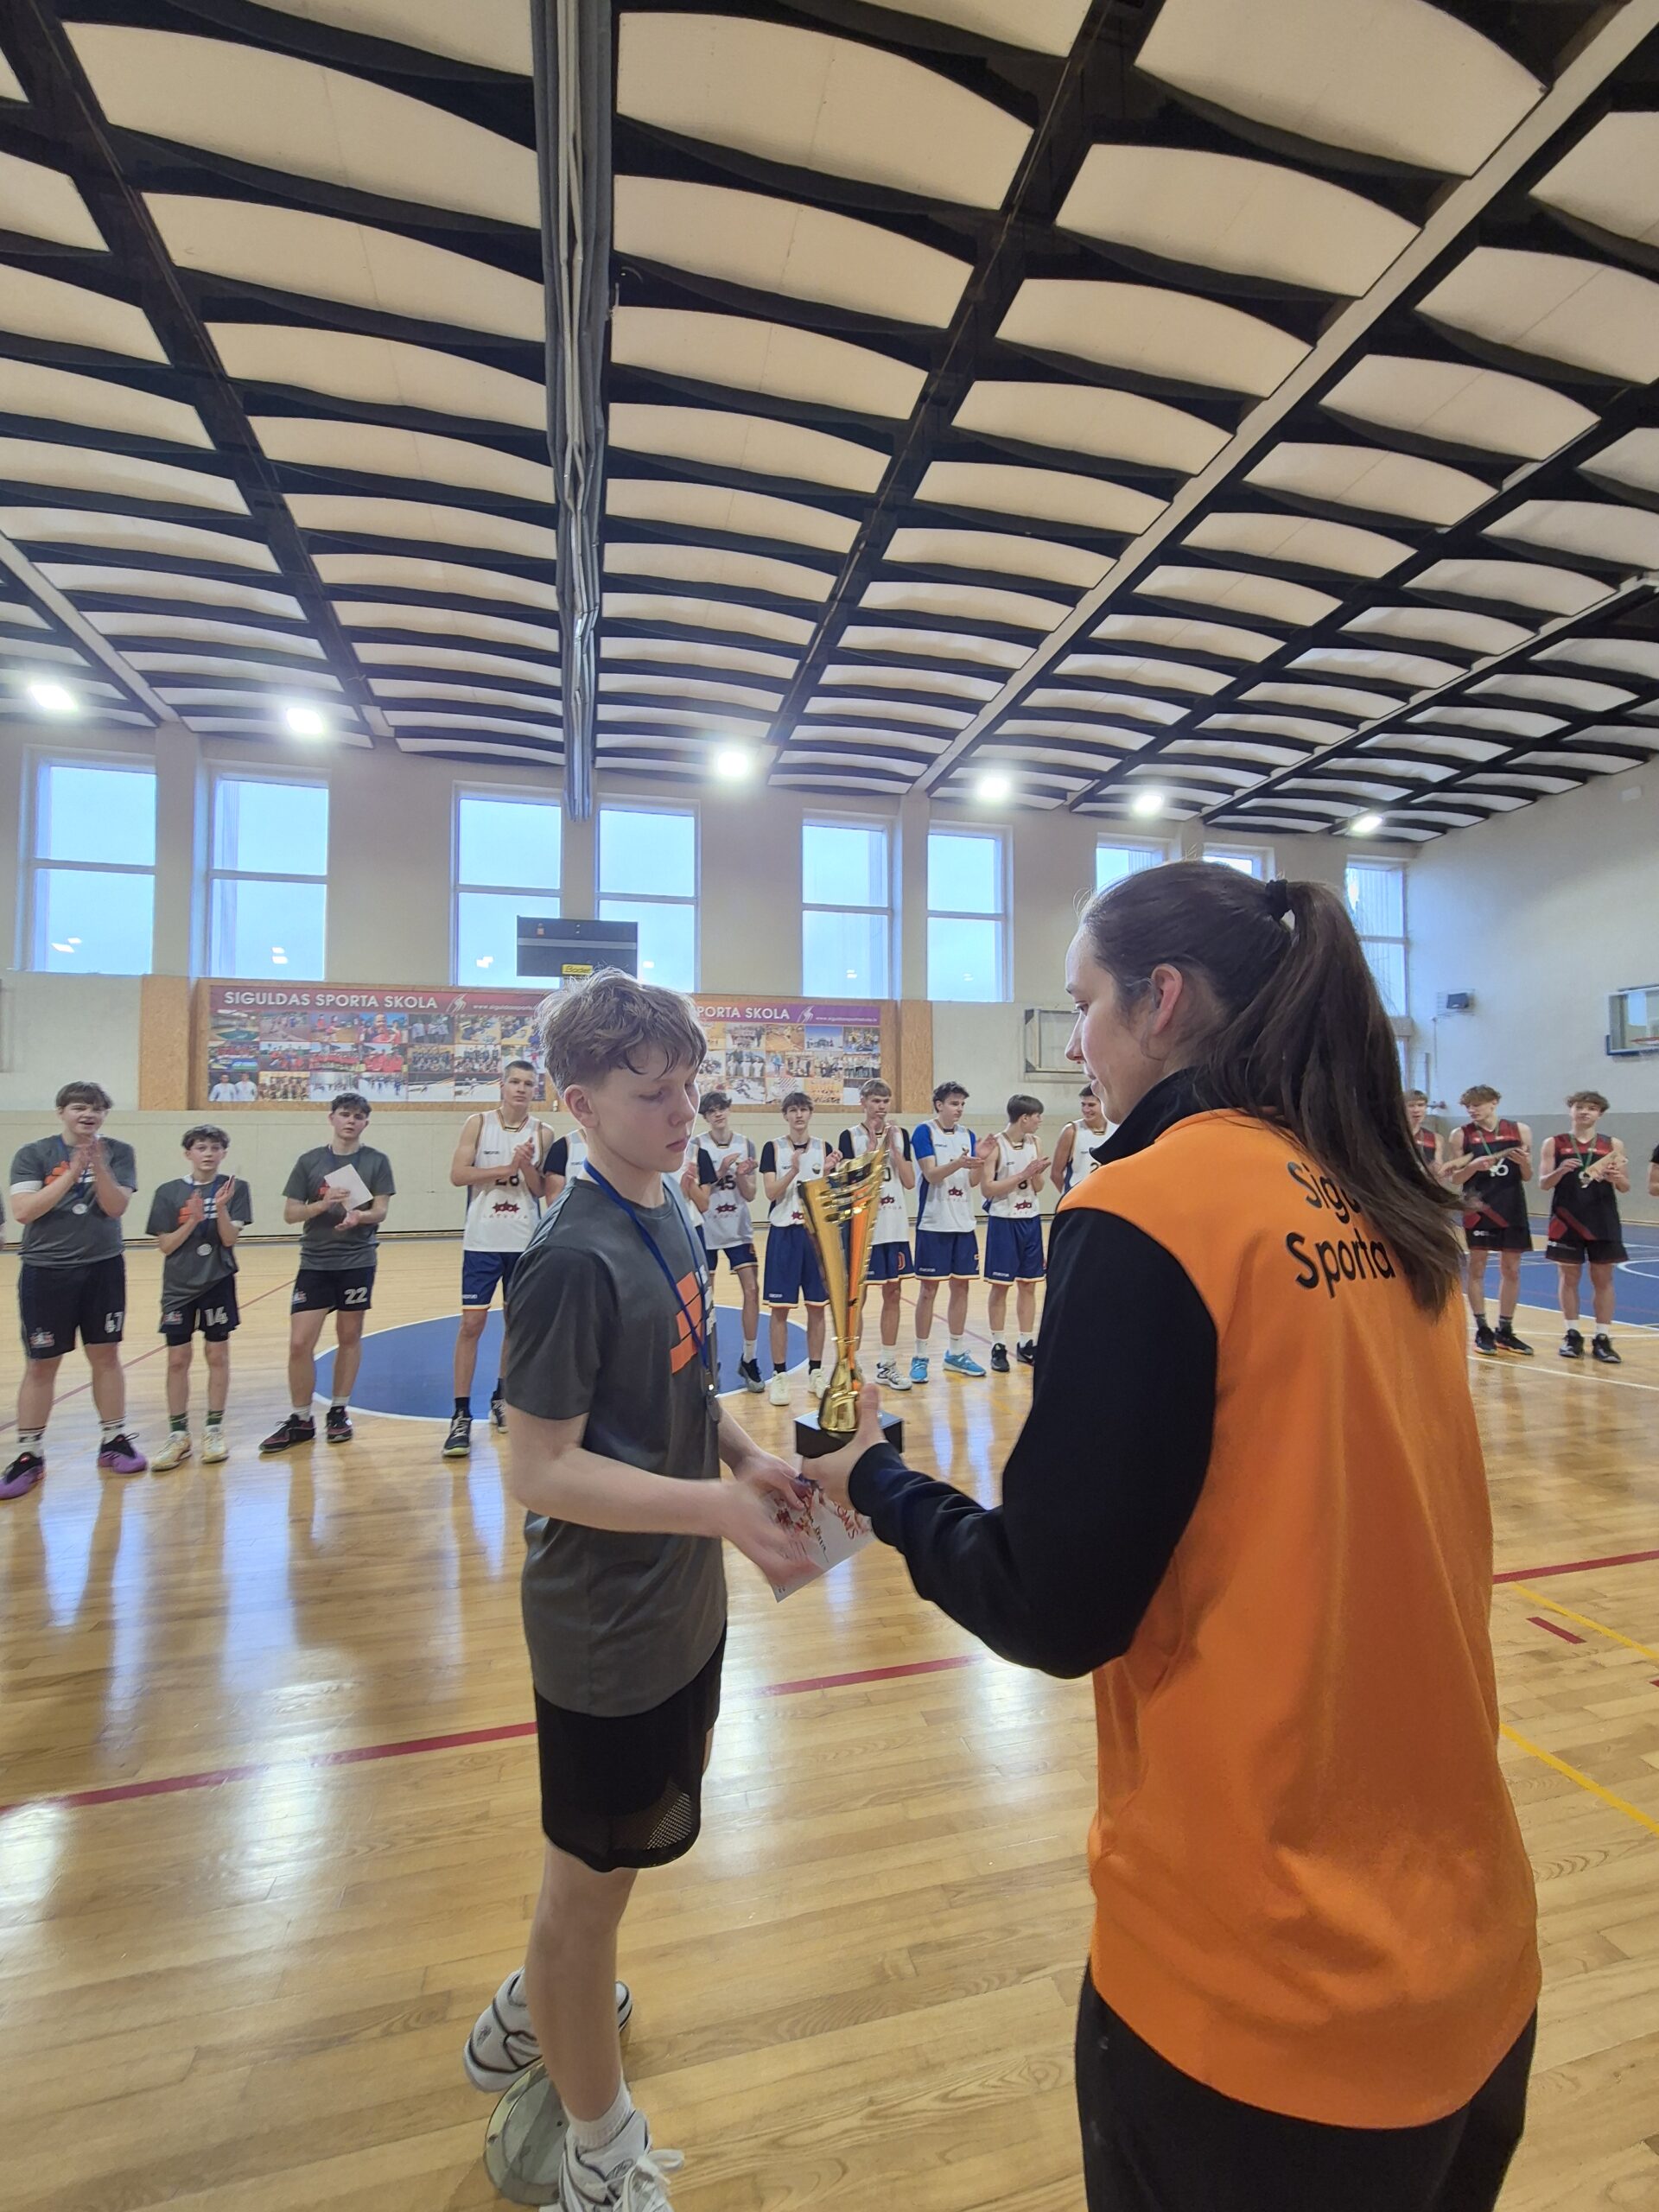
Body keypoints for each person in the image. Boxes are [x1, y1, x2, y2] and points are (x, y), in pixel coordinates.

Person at [810, 863, 1539, 2212]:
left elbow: (1053, 1603)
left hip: (1262, 1991)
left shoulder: (1152, 1204)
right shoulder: (1387, 1198)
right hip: (1475, 1953)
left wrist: (877, 1486)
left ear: (1162, 999)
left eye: (1083, 1005)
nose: (1075, 1044)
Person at [463, 969, 810, 2211]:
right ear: (579, 1104)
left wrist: (744, 1458)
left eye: (691, 1088)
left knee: (601, 1876)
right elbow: (539, 1469)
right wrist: (719, 1511)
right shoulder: (567, 1257)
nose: (682, 1113)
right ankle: (599, 2151)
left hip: (681, 1601)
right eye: (653, 1093)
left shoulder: (669, 1206)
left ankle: (534, 2005)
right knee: (588, 1890)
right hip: (604, 1627)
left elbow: (684, 1385)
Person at [2, 1079, 145, 1499]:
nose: (88, 1114)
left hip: (103, 1268)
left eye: (97, 1109)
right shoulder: (33, 1154)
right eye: (80, 1107)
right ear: (61, 1112)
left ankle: (113, 1439)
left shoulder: (119, 1152)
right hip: (46, 1271)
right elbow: (24, 1211)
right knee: (41, 1364)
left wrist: (97, 1166)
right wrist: (72, 1172)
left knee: (106, 1355)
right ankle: (29, 1454)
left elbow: (115, 1207)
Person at [262, 1093, 396, 1452]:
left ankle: (338, 1411)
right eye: (345, 1114)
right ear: (331, 1118)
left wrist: (359, 1216)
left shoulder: (376, 1161)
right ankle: (301, 1418)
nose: (351, 1121)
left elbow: (381, 1210)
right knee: (299, 1343)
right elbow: (291, 1214)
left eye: (358, 1116)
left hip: (357, 1261)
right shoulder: (310, 1161)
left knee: (349, 1336)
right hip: (316, 1262)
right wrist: (323, 1204)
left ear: (366, 1122)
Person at [446, 1060, 559, 1458]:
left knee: (516, 1323)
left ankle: (502, 1396)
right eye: (515, 1081)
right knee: (471, 1324)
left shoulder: (543, 1132)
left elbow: (541, 1190)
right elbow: (458, 1175)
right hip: (482, 1240)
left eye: (529, 1083)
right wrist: (505, 1167)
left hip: (523, 1241)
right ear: (502, 1085)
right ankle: (461, 1414)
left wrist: (525, 1166)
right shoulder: (478, 1123)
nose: (521, 1088)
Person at [147, 1124, 253, 1470]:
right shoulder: (168, 1192)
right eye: (201, 1147)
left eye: (215, 1148)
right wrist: (191, 1221)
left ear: (224, 1153)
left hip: (217, 1282)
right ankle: (178, 1434)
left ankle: (213, 1429)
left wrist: (220, 1208)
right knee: (177, 1360)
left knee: (217, 1354)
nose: (208, 1154)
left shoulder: (236, 1189)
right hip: (178, 1287)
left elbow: (229, 1239)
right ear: (188, 1153)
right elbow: (166, 1245)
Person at [837, 1077, 917, 1394]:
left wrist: (894, 1149)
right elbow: (848, 1184)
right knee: (858, 1297)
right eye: (875, 1101)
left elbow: (909, 1181)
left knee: (893, 1292)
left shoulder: (900, 1135)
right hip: (863, 1227)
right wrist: (871, 1151)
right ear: (863, 1103)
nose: (881, 1107)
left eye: (885, 1101)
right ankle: (850, 1364)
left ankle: (887, 1363)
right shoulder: (849, 1137)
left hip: (894, 1226)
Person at [759, 1090, 836, 1408]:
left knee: (817, 1307)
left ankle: (816, 1372)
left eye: (804, 1109)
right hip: (784, 1234)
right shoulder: (773, 1148)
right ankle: (779, 1375)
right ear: (785, 1115)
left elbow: (829, 1195)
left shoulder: (824, 1148)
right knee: (780, 1309)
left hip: (815, 1235)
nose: (799, 1115)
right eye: (793, 1110)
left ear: (810, 1113)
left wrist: (828, 1174)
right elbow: (770, 1193)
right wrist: (792, 1169)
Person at [1444, 1087, 1535, 1358]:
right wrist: (1473, 1167)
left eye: (1477, 1105)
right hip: (1479, 1207)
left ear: (1494, 1103)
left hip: (1512, 1206)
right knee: (1477, 1267)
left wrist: (1525, 1163)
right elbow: (1455, 1178)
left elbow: (1527, 1176)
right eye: (1468, 1106)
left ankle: (1505, 1329)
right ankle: (1482, 1328)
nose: (1472, 1110)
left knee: (1512, 1269)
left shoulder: (1519, 1131)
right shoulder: (1461, 1134)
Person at [1540, 1091, 1629, 1364]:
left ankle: (1603, 1337)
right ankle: (1572, 1334)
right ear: (1571, 1111)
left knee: (1603, 1279)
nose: (1584, 1112)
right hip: (1566, 1219)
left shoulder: (1612, 1144)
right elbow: (1543, 1183)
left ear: (1599, 1114)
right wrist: (1560, 1171)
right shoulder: (1554, 1143)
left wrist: (1616, 1178)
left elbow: (1625, 1186)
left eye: (1591, 1108)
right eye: (1579, 1107)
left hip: (1603, 1219)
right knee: (1569, 1277)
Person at [688, 1091, 764, 1394]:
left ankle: (749, 1358)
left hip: (738, 1228)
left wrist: (742, 1175)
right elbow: (698, 1191)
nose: (718, 1114)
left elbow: (751, 1194)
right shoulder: (697, 1146)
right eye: (712, 1111)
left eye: (722, 1109)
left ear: (729, 1111)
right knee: (706, 1297)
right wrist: (720, 1172)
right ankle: (708, 1358)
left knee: (752, 1290)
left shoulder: (746, 1144)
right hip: (707, 1227)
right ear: (705, 1117)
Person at [911, 1079, 986, 1382]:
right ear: (939, 1105)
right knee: (928, 1290)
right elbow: (931, 1174)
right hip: (934, 1222)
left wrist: (981, 1161)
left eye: (962, 1104)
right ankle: (920, 1356)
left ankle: (955, 1353)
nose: (959, 1109)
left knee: (962, 1287)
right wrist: (960, 1162)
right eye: (954, 1103)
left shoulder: (969, 1135)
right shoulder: (924, 1131)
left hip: (963, 1223)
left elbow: (973, 1182)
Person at [981, 1093, 1049, 1372]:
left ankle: (1025, 1342)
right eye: (1037, 1116)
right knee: (1000, 1286)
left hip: (1030, 1219)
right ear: (1024, 1118)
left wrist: (1035, 1173)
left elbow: (1039, 1187)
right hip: (1004, 1222)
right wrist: (1023, 1174)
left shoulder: (1036, 1143)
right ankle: (998, 1345)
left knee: (1029, 1284)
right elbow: (987, 1189)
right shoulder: (996, 1145)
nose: (1040, 1121)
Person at [1052, 1083, 1112, 1195]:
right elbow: (1056, 1173)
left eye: (1091, 1105)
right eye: (1083, 1105)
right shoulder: (1071, 1130)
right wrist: (1069, 1195)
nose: (1086, 1109)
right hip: (1080, 1196)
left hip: (1108, 1194)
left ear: (1104, 1104)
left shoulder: (1116, 1128)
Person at [1405, 1090, 1441, 1175]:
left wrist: (1435, 1169)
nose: (1416, 1110)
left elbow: (1438, 1171)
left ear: (1425, 1108)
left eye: (1420, 1105)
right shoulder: (1391, 1135)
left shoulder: (1435, 1138)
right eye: (1411, 1106)